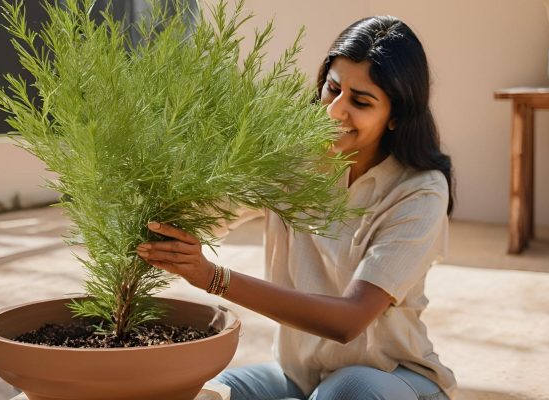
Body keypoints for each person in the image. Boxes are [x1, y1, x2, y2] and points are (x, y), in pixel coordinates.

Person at [136, 15, 457, 400]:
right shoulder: (292, 158)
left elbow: (349, 320)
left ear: (396, 116)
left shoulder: (419, 191)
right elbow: (206, 211)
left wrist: (212, 277)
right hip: (298, 377)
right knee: (202, 394)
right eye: (332, 89)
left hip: (389, 379)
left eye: (360, 101)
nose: (335, 111)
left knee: (347, 390)